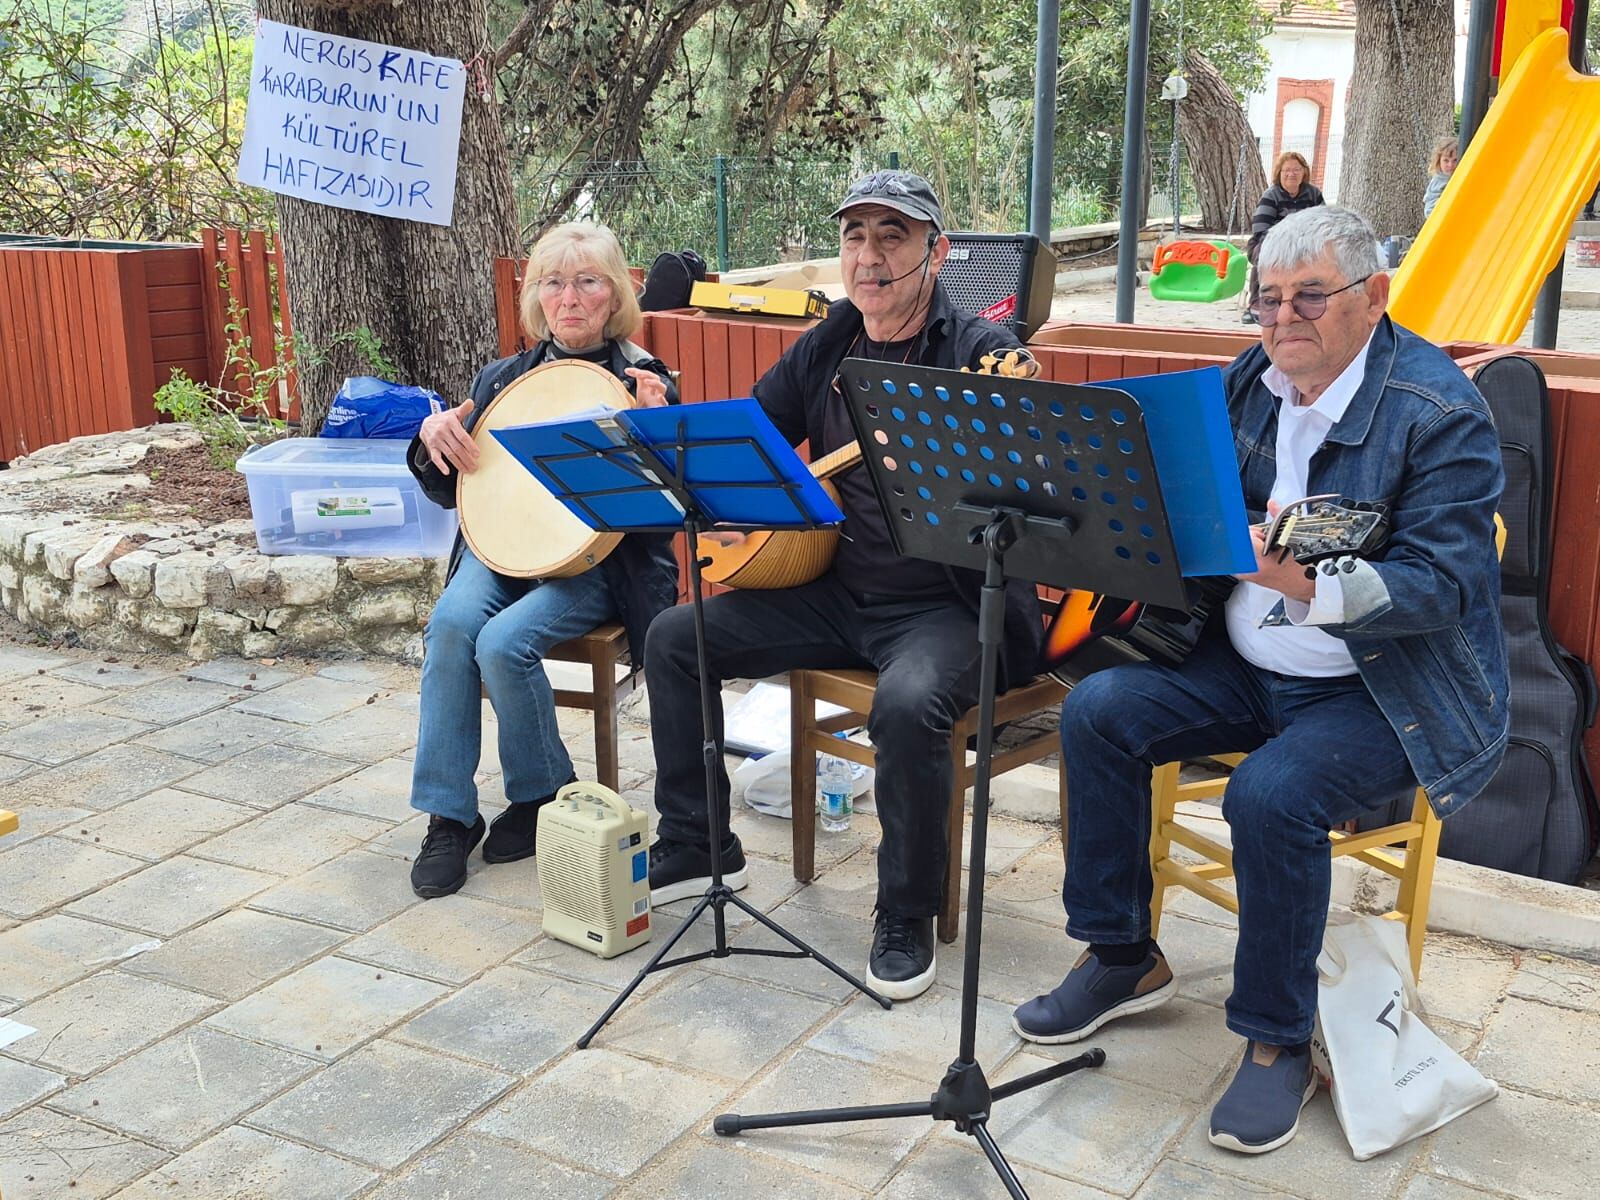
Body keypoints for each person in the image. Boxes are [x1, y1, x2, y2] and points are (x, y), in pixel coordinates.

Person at [1014, 206, 1506, 1154]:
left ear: (1373, 298)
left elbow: (1444, 586)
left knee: (1270, 794)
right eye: (1269, 301)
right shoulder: (1252, 380)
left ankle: (1277, 1040)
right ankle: (1122, 954)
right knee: (1103, 710)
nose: (1284, 321)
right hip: (1247, 657)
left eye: (1309, 298)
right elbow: (1188, 498)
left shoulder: (1441, 412)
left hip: (1382, 686)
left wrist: (1301, 580)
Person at [643, 171, 1042, 1000]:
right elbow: (754, 436)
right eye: (855, 236)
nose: (869, 255)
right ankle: (696, 842)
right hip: (838, 589)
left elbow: (1032, 474)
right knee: (678, 638)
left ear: (935, 251)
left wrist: (1017, 403)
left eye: (891, 236)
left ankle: (905, 911)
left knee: (906, 704)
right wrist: (721, 487)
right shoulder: (831, 342)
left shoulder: (978, 354)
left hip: (948, 604)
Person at [404, 222, 679, 899]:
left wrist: (658, 436)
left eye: (588, 281)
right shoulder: (503, 379)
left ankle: (538, 795)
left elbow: (672, 508)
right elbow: (453, 488)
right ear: (536, 298)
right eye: (554, 283)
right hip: (501, 552)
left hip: (597, 566)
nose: (571, 298)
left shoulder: (643, 379)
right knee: (451, 627)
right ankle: (449, 816)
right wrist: (429, 439)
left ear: (616, 294)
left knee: (503, 642)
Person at [1243, 151, 1325, 322]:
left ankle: (1311, 301)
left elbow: (1323, 223)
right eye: (1286, 170)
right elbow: (1261, 229)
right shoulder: (1271, 195)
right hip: (1269, 242)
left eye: (1296, 170)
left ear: (1304, 173)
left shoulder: (1313, 194)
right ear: (1279, 173)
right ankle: (1256, 304)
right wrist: (1284, 245)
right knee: (1264, 257)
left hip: (1304, 243)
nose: (1291, 174)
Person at [1423, 136, 1459, 220]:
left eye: (1455, 160)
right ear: (1439, 160)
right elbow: (1429, 211)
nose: (1450, 165)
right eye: (1446, 160)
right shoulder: (1438, 181)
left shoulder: (1458, 175)